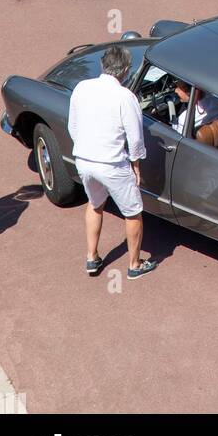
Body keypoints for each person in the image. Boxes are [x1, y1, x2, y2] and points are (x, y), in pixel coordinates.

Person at [67, 43, 157, 280]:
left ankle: (91, 257)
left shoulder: (82, 88)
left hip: (85, 160)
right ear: (126, 70)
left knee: (95, 204)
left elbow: (73, 126)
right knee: (133, 212)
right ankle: (135, 264)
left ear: (102, 64)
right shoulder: (125, 97)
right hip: (112, 164)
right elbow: (135, 137)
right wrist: (136, 165)